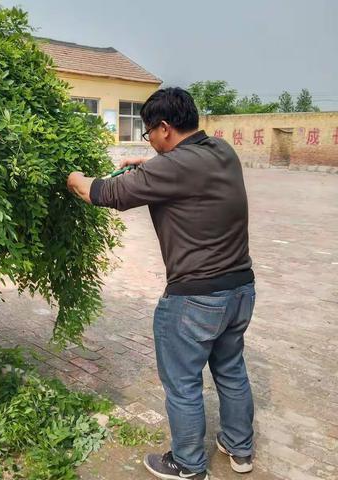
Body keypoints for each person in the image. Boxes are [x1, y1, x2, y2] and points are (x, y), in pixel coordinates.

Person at [67, 87, 255, 480]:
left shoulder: (168, 169)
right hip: (239, 289)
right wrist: (149, 165)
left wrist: (74, 178)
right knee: (231, 368)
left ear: (166, 128)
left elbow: (101, 193)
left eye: (149, 132)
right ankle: (240, 449)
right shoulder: (222, 151)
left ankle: (188, 464)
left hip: (196, 299)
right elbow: (178, 172)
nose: (148, 139)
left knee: (183, 382)